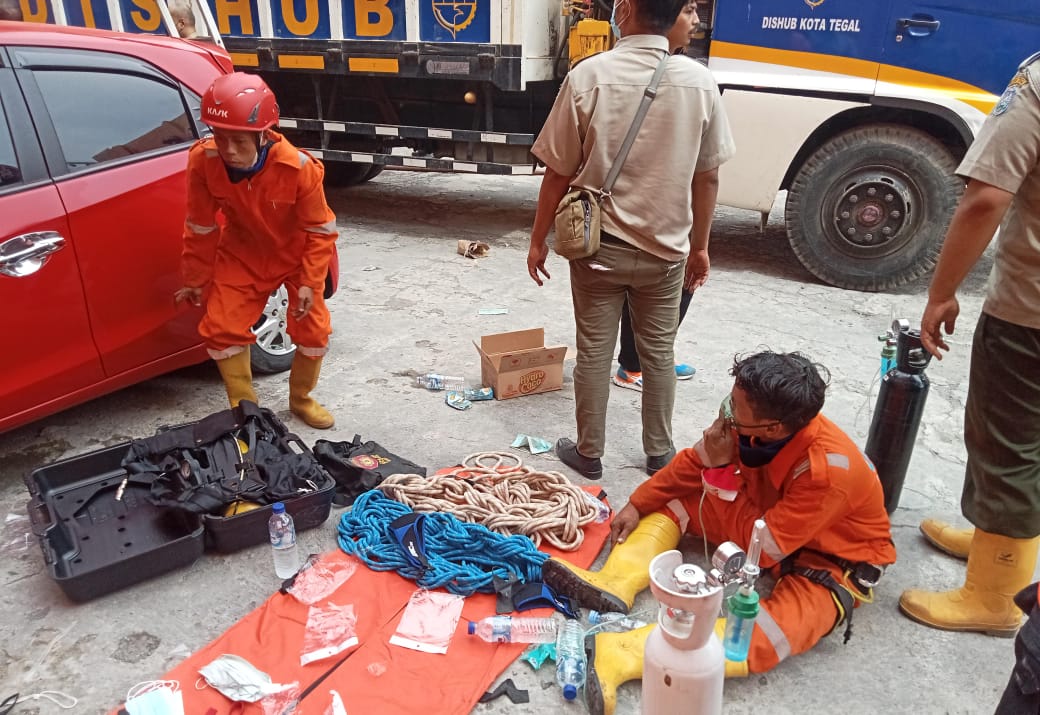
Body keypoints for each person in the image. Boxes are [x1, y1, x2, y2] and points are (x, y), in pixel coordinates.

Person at [541, 351, 896, 715]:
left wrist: (722, 471)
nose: (727, 410)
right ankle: (615, 582)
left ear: (772, 427)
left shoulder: (827, 472)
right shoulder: (754, 424)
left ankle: (624, 652)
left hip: (830, 562)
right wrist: (638, 503)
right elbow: (693, 463)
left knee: (771, 636)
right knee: (675, 504)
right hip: (767, 522)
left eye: (736, 406)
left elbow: (762, 549)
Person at [526, 0, 734, 480]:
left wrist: (539, 239)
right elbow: (708, 179)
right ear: (673, 15)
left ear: (627, 11)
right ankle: (660, 454)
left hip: (598, 248)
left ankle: (589, 453)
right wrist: (700, 248)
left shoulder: (589, 75)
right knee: (659, 353)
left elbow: (557, 173)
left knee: (595, 351)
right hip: (666, 252)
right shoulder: (700, 82)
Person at [899, 52, 1040, 636]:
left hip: (1031, 312)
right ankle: (1001, 541)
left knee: (1008, 440)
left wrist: (941, 293)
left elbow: (987, 197)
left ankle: (996, 594)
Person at [174, 73, 339, 429]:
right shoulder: (203, 162)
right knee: (221, 327)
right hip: (243, 252)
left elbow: (320, 231)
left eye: (238, 140)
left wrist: (311, 282)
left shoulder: (299, 169)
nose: (228, 150)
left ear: (262, 135)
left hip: (296, 256)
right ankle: (246, 412)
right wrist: (195, 278)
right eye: (220, 137)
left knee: (312, 331)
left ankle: (301, 400)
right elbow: (200, 226)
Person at [613, 0, 704, 391]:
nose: (696, 20)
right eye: (687, 10)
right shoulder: (691, 80)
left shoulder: (690, 77)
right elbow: (708, 174)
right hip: (653, 215)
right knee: (660, 284)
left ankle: (645, 359)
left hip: (663, 212)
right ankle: (636, 364)